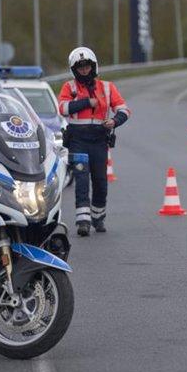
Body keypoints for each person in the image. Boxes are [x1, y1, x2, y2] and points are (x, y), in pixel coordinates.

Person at [58, 47, 130, 236]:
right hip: (77, 139)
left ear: (93, 66)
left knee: (100, 181)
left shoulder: (107, 87)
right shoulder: (69, 87)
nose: (84, 70)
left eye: (87, 66)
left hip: (99, 139)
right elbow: (62, 108)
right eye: (80, 67)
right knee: (81, 178)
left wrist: (114, 121)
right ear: (74, 69)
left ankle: (98, 217)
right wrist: (86, 102)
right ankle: (83, 221)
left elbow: (124, 110)